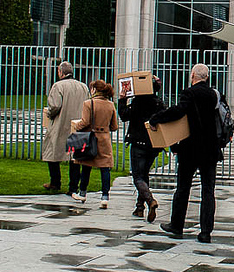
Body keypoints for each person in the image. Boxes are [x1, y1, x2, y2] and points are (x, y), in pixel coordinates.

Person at [149, 63, 220, 244]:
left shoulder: (189, 93)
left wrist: (157, 118)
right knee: (208, 190)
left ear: (193, 75)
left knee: (183, 187)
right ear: (207, 77)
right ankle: (205, 232)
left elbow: (179, 111)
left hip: (192, 146)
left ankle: (177, 224)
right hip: (210, 148)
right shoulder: (213, 95)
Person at [118, 76, 166, 222]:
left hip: (138, 142)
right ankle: (140, 208)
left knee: (138, 176)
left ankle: (150, 201)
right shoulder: (159, 103)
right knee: (144, 174)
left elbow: (124, 115)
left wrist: (122, 99)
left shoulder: (138, 102)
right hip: (153, 144)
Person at [42, 61, 88, 195]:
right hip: (78, 125)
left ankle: (55, 182)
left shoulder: (58, 86)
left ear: (61, 72)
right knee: (75, 156)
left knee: (53, 152)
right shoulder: (83, 86)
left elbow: (55, 105)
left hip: (61, 123)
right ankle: (73, 186)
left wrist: (49, 114)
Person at [72, 79, 119, 209]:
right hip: (104, 138)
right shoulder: (110, 105)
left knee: (86, 164)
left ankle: (82, 193)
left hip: (90, 137)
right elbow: (114, 126)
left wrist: (76, 125)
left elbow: (85, 122)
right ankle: (105, 196)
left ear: (94, 90)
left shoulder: (88, 103)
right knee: (105, 167)